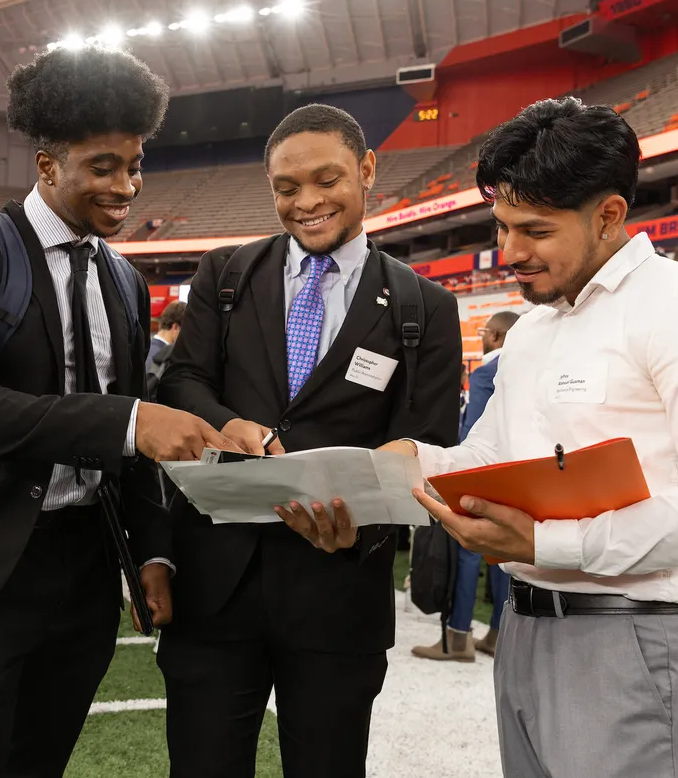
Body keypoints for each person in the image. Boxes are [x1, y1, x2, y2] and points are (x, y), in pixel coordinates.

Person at [390, 97, 678, 777]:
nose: (508, 251)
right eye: (502, 225)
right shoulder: (537, 326)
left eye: (533, 229)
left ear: (609, 215)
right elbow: (491, 455)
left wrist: (552, 542)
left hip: (640, 636)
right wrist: (413, 461)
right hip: (526, 630)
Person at [0, 45, 235, 778]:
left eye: (136, 164)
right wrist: (128, 420)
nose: (127, 186)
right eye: (104, 167)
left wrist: (151, 549)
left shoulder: (122, 278)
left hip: (84, 574)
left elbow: (135, 450)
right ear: (47, 165)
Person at [157, 103, 463, 777]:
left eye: (326, 180)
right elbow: (182, 381)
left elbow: (431, 443)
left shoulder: (424, 307)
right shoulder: (225, 275)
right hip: (216, 586)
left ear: (367, 170)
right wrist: (224, 423)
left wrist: (365, 531)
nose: (307, 202)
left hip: (339, 593)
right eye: (286, 188)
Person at [413, 309, 520, 662]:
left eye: (487, 332)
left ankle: (458, 635)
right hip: (517, 476)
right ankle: (497, 632)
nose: (484, 337)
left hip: (483, 477)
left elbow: (473, 435)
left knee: (468, 552)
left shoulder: (489, 370)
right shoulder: (529, 366)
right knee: (503, 555)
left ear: (498, 336)